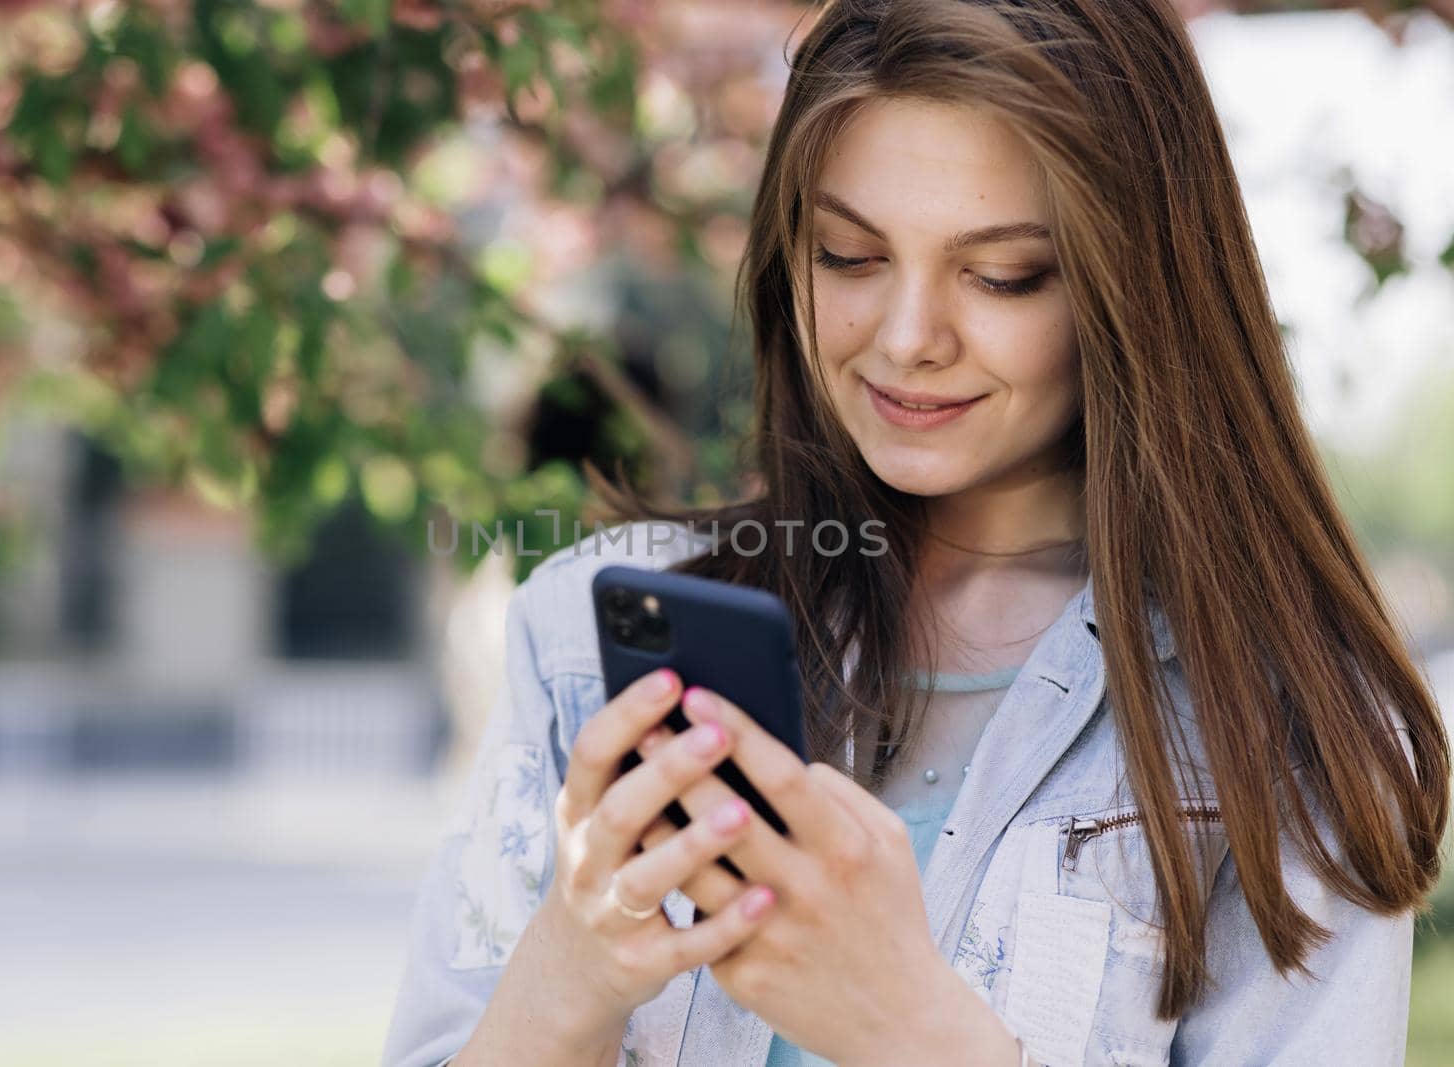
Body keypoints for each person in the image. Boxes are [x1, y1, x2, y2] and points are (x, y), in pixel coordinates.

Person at [381, 0, 1451, 1063]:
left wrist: (915, 1034)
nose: (905, 338)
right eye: (849, 255)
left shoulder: (1280, 728)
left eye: (1000, 275)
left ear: (1132, 285)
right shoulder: (586, 639)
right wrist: (572, 970)